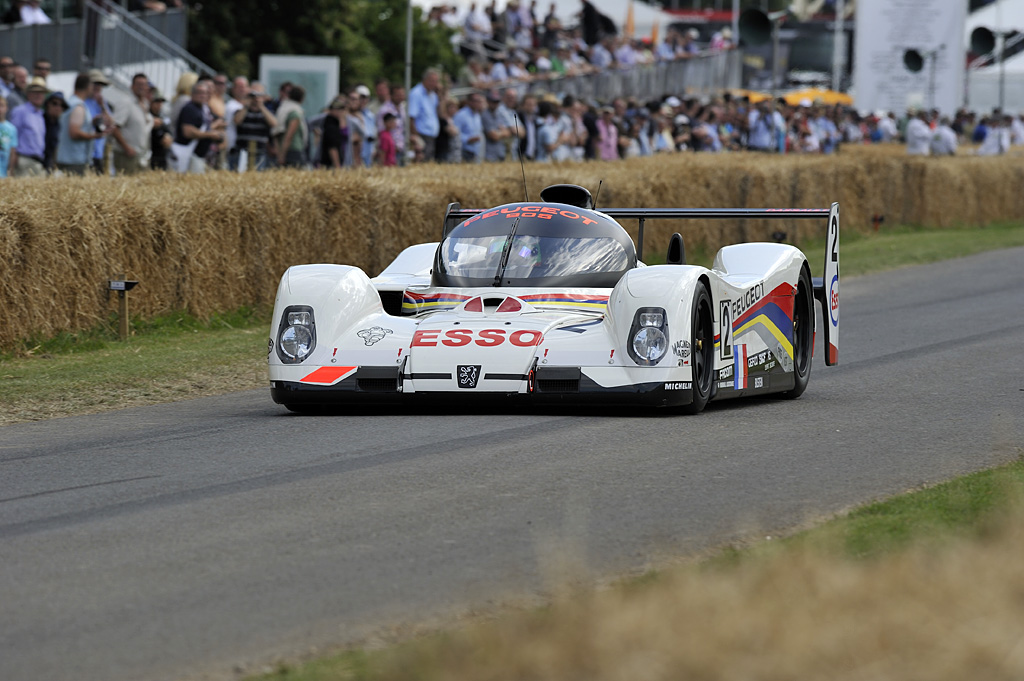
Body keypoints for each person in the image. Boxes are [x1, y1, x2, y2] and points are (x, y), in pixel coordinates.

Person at [172, 80, 225, 173]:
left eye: (205, 93)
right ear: (192, 94)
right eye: (199, 92)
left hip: (194, 154)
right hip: (184, 153)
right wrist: (210, 135)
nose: (203, 95)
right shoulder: (190, 108)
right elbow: (188, 132)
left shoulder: (201, 108)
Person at [56, 74, 102, 176]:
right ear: (88, 87)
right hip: (75, 159)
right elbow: (74, 133)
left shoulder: (69, 102)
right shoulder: (78, 107)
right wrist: (95, 136)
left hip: (66, 157)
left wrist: (91, 123)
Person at [111, 73, 154, 174]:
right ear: (132, 86)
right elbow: (115, 128)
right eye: (139, 84)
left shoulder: (145, 104)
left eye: (144, 84)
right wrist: (126, 148)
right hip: (126, 155)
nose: (142, 87)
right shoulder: (125, 103)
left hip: (141, 155)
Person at [8, 76, 47, 176]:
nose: (38, 95)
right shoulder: (20, 111)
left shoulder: (40, 114)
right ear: (28, 94)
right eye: (35, 92)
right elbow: (13, 136)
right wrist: (13, 159)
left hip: (38, 160)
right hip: (23, 160)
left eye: (41, 93)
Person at [233, 81, 276, 171]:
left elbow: (274, 123)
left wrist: (261, 106)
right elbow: (237, 121)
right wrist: (246, 106)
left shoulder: (266, 112)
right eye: (253, 95)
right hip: (242, 152)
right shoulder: (241, 110)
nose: (256, 98)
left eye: (259, 95)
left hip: (260, 152)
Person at [84, 69, 115, 174]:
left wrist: (102, 106)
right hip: (85, 152)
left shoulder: (102, 102)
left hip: (99, 151)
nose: (98, 87)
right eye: (95, 83)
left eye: (100, 84)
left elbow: (111, 124)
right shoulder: (81, 101)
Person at [407, 67, 441, 161]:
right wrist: (416, 138)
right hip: (421, 135)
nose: (434, 84)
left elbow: (439, 113)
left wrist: (440, 95)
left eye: (436, 81)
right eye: (432, 81)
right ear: (425, 80)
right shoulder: (416, 93)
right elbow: (411, 117)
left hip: (431, 136)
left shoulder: (433, 95)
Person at [276, 85, 307, 168]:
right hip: (293, 151)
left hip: (284, 150)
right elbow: (289, 136)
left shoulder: (283, 108)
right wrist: (282, 155)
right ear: (301, 98)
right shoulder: (295, 113)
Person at [224, 76, 249, 170]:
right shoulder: (231, 105)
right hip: (234, 148)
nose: (242, 89)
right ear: (233, 89)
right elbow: (237, 120)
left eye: (244, 86)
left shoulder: (246, 105)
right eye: (239, 87)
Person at [453, 92, 484, 163]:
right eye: (475, 101)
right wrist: (467, 139)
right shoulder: (461, 115)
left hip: (476, 151)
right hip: (464, 150)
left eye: (478, 101)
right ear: (469, 102)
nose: (477, 103)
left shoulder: (477, 115)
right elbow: (455, 133)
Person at [319, 97, 348, 169]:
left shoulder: (335, 122)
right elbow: (332, 147)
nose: (341, 112)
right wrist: (337, 167)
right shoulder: (331, 125)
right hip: (330, 165)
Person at [42, 90, 66, 172]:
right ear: (48, 104)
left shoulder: (59, 125)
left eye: (62, 105)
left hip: (49, 164)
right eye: (54, 103)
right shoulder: (40, 119)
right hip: (38, 162)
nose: (58, 108)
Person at [149, 90, 171, 170]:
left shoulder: (163, 116)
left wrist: (168, 136)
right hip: (151, 154)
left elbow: (168, 130)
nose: (159, 105)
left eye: (160, 102)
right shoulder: (147, 116)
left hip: (161, 155)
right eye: (156, 102)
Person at [0, 96, 15, 178]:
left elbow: (13, 151)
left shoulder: (12, 129)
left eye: (1, 105)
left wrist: (11, 170)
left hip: (4, 174)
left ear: (6, 108)